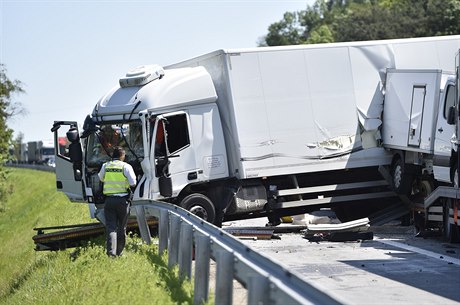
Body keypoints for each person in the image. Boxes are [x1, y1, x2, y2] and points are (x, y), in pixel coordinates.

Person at [98, 146, 137, 257]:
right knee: (121, 228)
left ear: (113, 155)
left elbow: (100, 178)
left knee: (111, 227)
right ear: (122, 156)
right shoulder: (126, 166)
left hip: (109, 201)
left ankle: (111, 253)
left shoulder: (105, 166)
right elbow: (133, 183)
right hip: (122, 201)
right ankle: (119, 252)